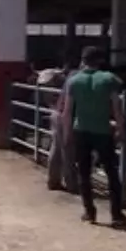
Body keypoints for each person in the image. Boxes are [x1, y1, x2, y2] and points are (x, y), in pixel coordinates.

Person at [62, 46, 126, 226]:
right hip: (102, 130)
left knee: (84, 172)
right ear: (100, 61)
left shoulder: (73, 81)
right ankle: (116, 214)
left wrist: (67, 133)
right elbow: (117, 108)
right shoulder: (109, 79)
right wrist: (121, 129)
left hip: (81, 130)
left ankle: (89, 212)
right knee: (111, 173)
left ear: (83, 61)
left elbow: (67, 111)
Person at [46, 62, 81, 194]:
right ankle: (71, 184)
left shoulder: (72, 75)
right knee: (68, 151)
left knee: (56, 149)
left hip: (57, 113)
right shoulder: (80, 79)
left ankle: (53, 181)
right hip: (66, 115)